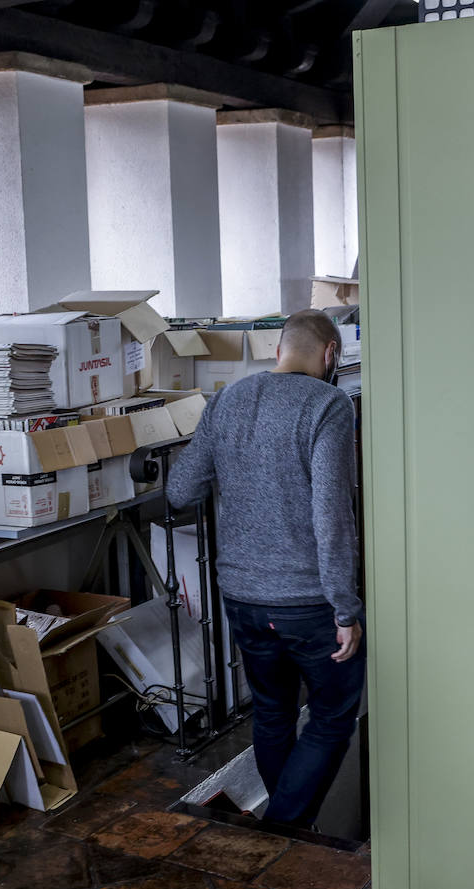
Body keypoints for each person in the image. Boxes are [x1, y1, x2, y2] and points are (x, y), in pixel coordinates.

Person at [166, 308, 364, 829]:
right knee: (331, 718)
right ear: (330, 355)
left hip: (243, 598)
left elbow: (180, 489)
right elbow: (332, 514)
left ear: (278, 350)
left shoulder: (228, 399)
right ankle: (283, 830)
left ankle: (284, 832)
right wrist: (346, 607)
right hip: (308, 603)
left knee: (273, 715)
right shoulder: (330, 404)